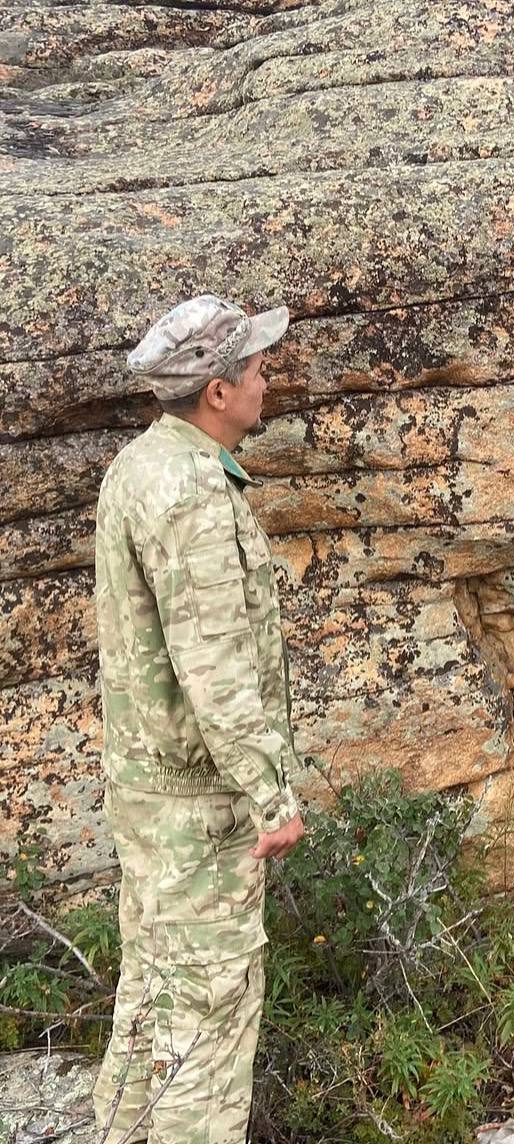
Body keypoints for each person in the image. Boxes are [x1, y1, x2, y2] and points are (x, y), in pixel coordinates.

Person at [91, 295, 305, 1142]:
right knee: (205, 1029)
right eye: (256, 369)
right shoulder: (190, 493)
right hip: (199, 811)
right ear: (217, 391)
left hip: (149, 796)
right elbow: (214, 665)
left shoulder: (140, 465)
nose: (265, 381)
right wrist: (271, 794)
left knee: (150, 998)